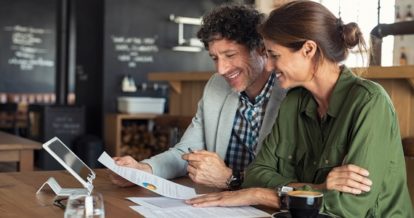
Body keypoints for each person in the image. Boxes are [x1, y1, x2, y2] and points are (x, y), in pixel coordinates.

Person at [186, 1, 413, 217]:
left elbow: (348, 207)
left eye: (274, 56)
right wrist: (318, 188)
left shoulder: (370, 102)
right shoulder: (294, 100)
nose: (270, 66)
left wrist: (260, 194)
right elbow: (256, 174)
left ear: (308, 50)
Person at [110, 5, 286, 189]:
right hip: (223, 204)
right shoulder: (216, 86)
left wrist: (231, 178)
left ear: (261, 49)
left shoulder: (291, 93)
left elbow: (291, 177)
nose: (221, 69)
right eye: (215, 58)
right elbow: (187, 152)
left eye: (230, 55)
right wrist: (142, 169)